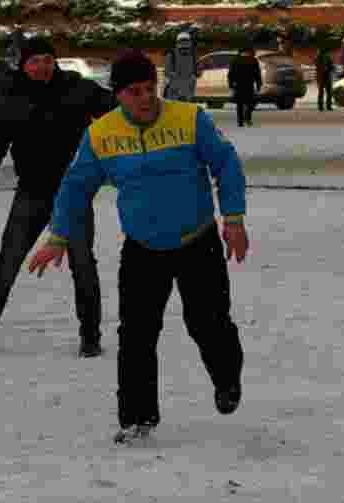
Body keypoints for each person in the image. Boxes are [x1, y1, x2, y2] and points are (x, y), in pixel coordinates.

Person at [28, 49, 249, 446]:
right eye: (134, 91)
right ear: (118, 94)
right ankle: (136, 416)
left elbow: (227, 164)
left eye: (150, 88)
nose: (146, 97)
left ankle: (227, 380)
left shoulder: (189, 118)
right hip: (143, 248)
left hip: (196, 240)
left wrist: (233, 219)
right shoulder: (101, 134)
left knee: (209, 323)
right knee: (136, 335)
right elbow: (76, 188)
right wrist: (58, 236)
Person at [0, 37, 116, 358]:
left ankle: (90, 337)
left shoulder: (77, 89)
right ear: (23, 65)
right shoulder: (10, 99)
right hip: (32, 192)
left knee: (83, 264)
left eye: (47, 60)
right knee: (7, 262)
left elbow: (119, 107)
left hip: (73, 193)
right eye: (34, 61)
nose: (42, 67)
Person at [228, 46, 262, 127]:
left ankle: (240, 121)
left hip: (238, 85)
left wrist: (231, 85)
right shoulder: (253, 60)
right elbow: (257, 74)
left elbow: (230, 74)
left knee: (239, 104)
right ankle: (248, 118)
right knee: (251, 102)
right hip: (249, 84)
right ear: (249, 52)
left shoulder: (235, 60)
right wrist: (258, 85)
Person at [164, 30, 199, 102]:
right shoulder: (193, 54)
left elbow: (167, 72)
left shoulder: (172, 54)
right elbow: (196, 72)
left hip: (178, 89)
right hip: (183, 89)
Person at [315, 43, 335, 111]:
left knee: (325, 91)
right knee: (325, 91)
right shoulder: (321, 56)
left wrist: (330, 68)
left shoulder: (323, 56)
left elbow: (331, 65)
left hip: (324, 75)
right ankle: (324, 106)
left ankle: (324, 106)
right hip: (323, 75)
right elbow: (331, 65)